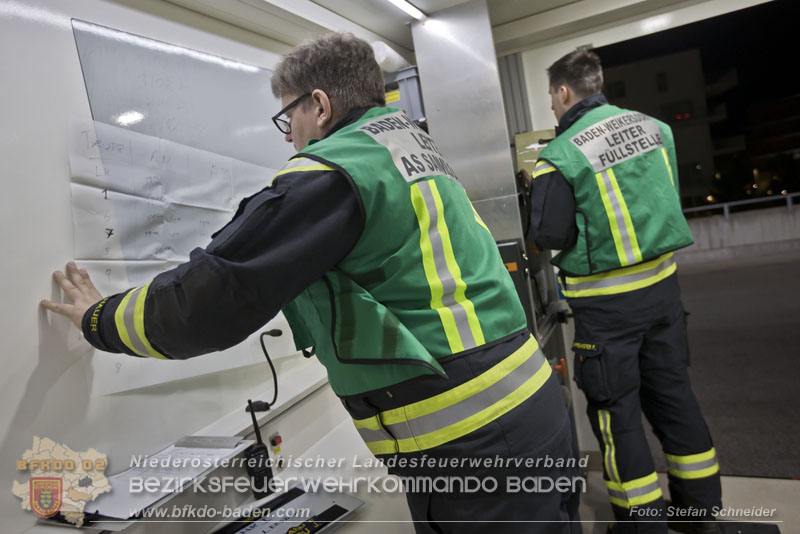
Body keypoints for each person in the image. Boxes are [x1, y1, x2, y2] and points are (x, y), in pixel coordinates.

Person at [43, 33, 580, 533]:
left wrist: (100, 318)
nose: (290, 139)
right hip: (528, 407)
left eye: (288, 119)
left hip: (473, 444)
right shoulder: (411, 147)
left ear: (319, 107)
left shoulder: (332, 172)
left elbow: (209, 298)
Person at [524, 47, 722, 534]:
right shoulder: (656, 129)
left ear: (565, 91)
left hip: (607, 308)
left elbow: (549, 235)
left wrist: (535, 192)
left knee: (618, 414)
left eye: (552, 95)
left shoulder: (561, 154)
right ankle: (700, 515)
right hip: (664, 292)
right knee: (675, 397)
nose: (552, 106)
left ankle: (643, 524)